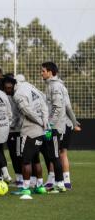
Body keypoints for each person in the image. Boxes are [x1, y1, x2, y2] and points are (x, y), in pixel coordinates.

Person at [12, 74, 50, 200]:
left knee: (25, 160)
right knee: (36, 159)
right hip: (41, 131)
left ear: (15, 83)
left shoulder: (19, 94)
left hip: (29, 131)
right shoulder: (33, 88)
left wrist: (39, 121)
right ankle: (40, 186)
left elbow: (27, 111)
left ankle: (26, 188)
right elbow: (44, 104)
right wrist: (44, 121)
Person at [40, 62, 68, 193]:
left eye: (43, 71)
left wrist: (50, 124)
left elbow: (57, 107)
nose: (42, 73)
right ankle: (56, 182)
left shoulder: (55, 86)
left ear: (50, 72)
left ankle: (60, 184)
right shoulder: (50, 85)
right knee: (51, 154)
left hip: (54, 128)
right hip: (50, 128)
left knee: (55, 155)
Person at [0, 74, 23, 186]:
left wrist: (12, 124)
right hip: (10, 130)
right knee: (13, 155)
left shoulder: (16, 96)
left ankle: (23, 178)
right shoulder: (7, 95)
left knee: (18, 154)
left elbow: (18, 113)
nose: (7, 87)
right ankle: (19, 178)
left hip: (17, 130)